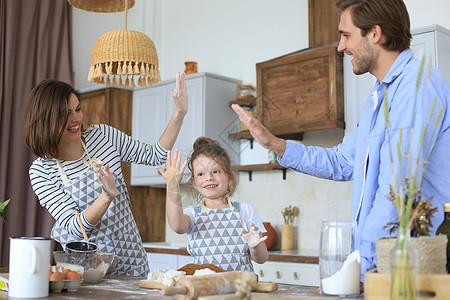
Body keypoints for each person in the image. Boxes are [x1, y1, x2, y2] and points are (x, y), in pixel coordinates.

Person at [232, 0, 450, 281]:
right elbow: (342, 161)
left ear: (375, 33)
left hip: (408, 267)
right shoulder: (378, 98)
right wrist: (275, 144)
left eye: (346, 35)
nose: (340, 47)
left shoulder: (416, 85)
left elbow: (397, 187)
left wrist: (362, 263)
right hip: (383, 265)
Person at [23, 72, 188, 277]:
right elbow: (75, 228)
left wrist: (179, 114)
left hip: (131, 259)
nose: (76, 119)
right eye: (66, 113)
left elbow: (153, 155)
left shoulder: (103, 136)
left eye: (78, 109)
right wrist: (106, 197)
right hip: (87, 270)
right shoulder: (42, 171)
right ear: (46, 119)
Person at [156, 137, 268, 271]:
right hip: (206, 288)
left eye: (216, 171)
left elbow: (262, 259)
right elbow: (177, 226)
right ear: (194, 183)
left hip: (241, 287)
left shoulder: (245, 210)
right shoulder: (192, 214)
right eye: (201, 174)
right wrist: (173, 185)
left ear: (229, 177)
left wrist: (254, 246)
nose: (209, 177)